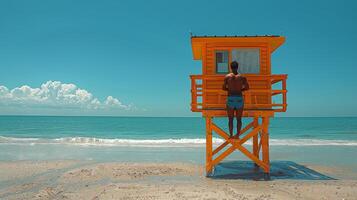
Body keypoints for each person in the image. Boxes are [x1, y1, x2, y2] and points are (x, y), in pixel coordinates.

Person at [222, 61, 249, 139]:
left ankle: (230, 135)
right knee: (239, 119)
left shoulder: (227, 77)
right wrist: (240, 90)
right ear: (237, 67)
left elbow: (223, 88)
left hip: (230, 98)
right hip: (239, 98)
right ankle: (237, 135)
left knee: (230, 119)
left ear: (230, 67)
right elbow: (247, 87)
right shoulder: (242, 77)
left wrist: (229, 90)